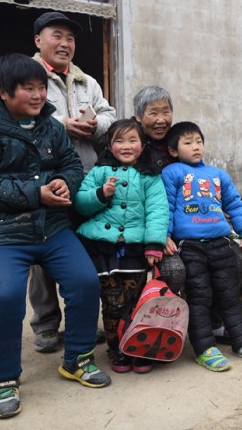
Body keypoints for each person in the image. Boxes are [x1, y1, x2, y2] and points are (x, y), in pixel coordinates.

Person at [0, 54, 110, 420]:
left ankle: (77, 359)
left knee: (86, 282)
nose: (39, 95)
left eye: (42, 87)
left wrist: (65, 181)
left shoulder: (51, 126)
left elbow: (71, 164)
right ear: (4, 92)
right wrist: (38, 190)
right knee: (5, 296)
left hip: (50, 225)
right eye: (29, 88)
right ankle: (5, 379)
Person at [28, 11, 116, 353]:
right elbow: (20, 116)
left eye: (71, 38)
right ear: (38, 41)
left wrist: (98, 126)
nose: (65, 44)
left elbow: (108, 112)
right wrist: (61, 123)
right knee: (42, 258)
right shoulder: (28, 76)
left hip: (84, 178)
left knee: (85, 252)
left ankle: (82, 321)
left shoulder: (87, 82)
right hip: (43, 181)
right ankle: (46, 325)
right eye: (57, 36)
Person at [161, 121, 242, 372]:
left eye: (198, 141)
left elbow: (233, 203)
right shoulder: (172, 173)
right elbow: (164, 205)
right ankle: (204, 349)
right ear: (174, 151)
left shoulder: (217, 175)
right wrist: (164, 235)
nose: (195, 147)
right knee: (199, 296)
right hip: (190, 247)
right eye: (188, 143)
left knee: (229, 295)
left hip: (220, 243)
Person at [73, 119, 169, 374]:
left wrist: (154, 245)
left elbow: (158, 211)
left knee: (137, 301)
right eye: (119, 140)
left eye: (132, 140)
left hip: (136, 249)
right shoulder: (99, 172)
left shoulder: (150, 176)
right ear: (109, 145)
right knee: (112, 303)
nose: (126, 146)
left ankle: (138, 347)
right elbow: (81, 204)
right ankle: (116, 349)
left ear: (143, 144)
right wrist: (101, 195)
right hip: (102, 249)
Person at [132, 86, 187, 293]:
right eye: (153, 113)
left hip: (179, 222)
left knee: (230, 259)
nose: (161, 120)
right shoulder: (130, 145)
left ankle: (206, 319)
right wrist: (159, 234)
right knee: (173, 270)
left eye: (165, 112)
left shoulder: (178, 141)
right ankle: (161, 318)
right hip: (144, 226)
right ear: (138, 115)